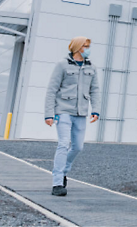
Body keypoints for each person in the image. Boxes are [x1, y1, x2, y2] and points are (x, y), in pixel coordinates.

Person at [44, 36, 101, 197]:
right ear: (77, 47)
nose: (88, 48)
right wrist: (49, 113)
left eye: (89, 46)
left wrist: (95, 110)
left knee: (78, 146)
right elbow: (51, 90)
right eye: (86, 46)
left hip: (80, 113)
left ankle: (63, 172)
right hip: (63, 111)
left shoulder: (91, 67)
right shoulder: (62, 65)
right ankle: (57, 183)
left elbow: (95, 90)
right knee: (63, 143)